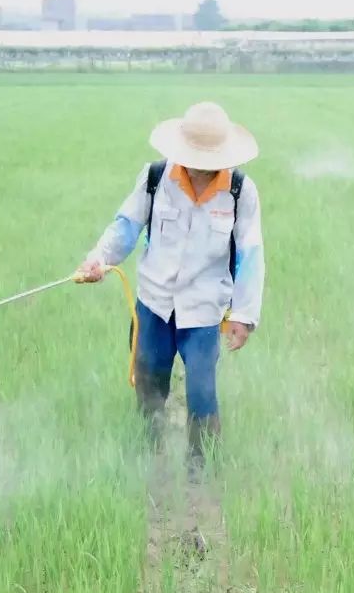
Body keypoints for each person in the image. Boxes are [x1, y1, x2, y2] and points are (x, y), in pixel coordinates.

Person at [75, 101, 265, 475]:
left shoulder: (241, 192)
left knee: (202, 392)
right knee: (149, 379)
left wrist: (244, 315)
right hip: (154, 304)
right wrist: (98, 260)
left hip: (204, 311)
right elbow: (126, 226)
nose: (200, 166)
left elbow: (251, 252)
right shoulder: (156, 179)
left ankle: (201, 463)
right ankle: (150, 446)